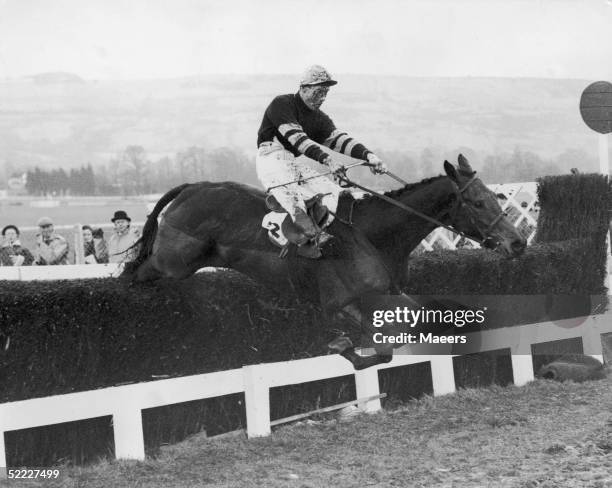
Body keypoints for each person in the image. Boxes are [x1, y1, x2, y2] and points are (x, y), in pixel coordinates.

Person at [256, 65, 387, 247]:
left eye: (325, 92)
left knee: (337, 194)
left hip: (292, 163)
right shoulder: (281, 104)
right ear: (304, 88)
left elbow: (338, 140)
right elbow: (298, 139)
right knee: (297, 207)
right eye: (318, 92)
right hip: (270, 160)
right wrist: (329, 161)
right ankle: (309, 239)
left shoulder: (318, 118)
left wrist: (369, 156)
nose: (322, 98)